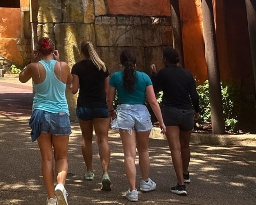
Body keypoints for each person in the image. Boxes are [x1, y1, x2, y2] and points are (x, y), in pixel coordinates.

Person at [106, 49, 166, 202]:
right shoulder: (145, 77)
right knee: (144, 150)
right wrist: (162, 122)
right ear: (136, 62)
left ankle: (132, 190)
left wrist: (111, 111)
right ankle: (145, 182)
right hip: (142, 113)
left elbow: (109, 98)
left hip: (124, 113)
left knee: (129, 154)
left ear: (121, 62)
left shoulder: (115, 77)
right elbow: (153, 101)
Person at [19, 37, 71, 205]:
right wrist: (59, 59)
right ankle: (61, 186)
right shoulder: (64, 66)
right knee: (61, 157)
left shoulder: (35, 67)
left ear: (38, 50)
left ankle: (51, 198)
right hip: (61, 114)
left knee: (47, 158)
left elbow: (21, 78)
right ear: (53, 50)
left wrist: (34, 60)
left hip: (41, 114)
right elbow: (69, 83)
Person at [150, 47, 200, 196]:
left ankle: (180, 184)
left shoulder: (163, 73)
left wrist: (153, 73)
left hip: (171, 111)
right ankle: (185, 173)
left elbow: (155, 89)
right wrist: (196, 110)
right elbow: (194, 95)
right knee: (185, 146)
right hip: (187, 111)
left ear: (165, 59)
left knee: (175, 149)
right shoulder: (187, 73)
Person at [69, 41, 112, 191]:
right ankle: (105, 173)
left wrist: (70, 82)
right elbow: (107, 91)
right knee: (103, 140)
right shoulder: (103, 67)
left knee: (86, 139)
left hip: (84, 106)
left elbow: (74, 90)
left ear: (82, 52)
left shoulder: (77, 67)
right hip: (100, 106)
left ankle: (89, 171)